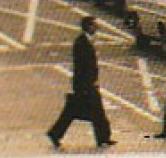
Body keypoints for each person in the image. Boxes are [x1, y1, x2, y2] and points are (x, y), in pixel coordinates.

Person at [46, 17, 115, 149]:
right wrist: (86, 85)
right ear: (88, 27)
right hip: (84, 84)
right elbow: (81, 66)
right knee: (89, 111)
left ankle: (103, 138)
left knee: (88, 111)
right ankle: (56, 134)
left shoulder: (85, 41)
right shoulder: (81, 43)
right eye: (94, 25)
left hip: (87, 83)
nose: (96, 28)